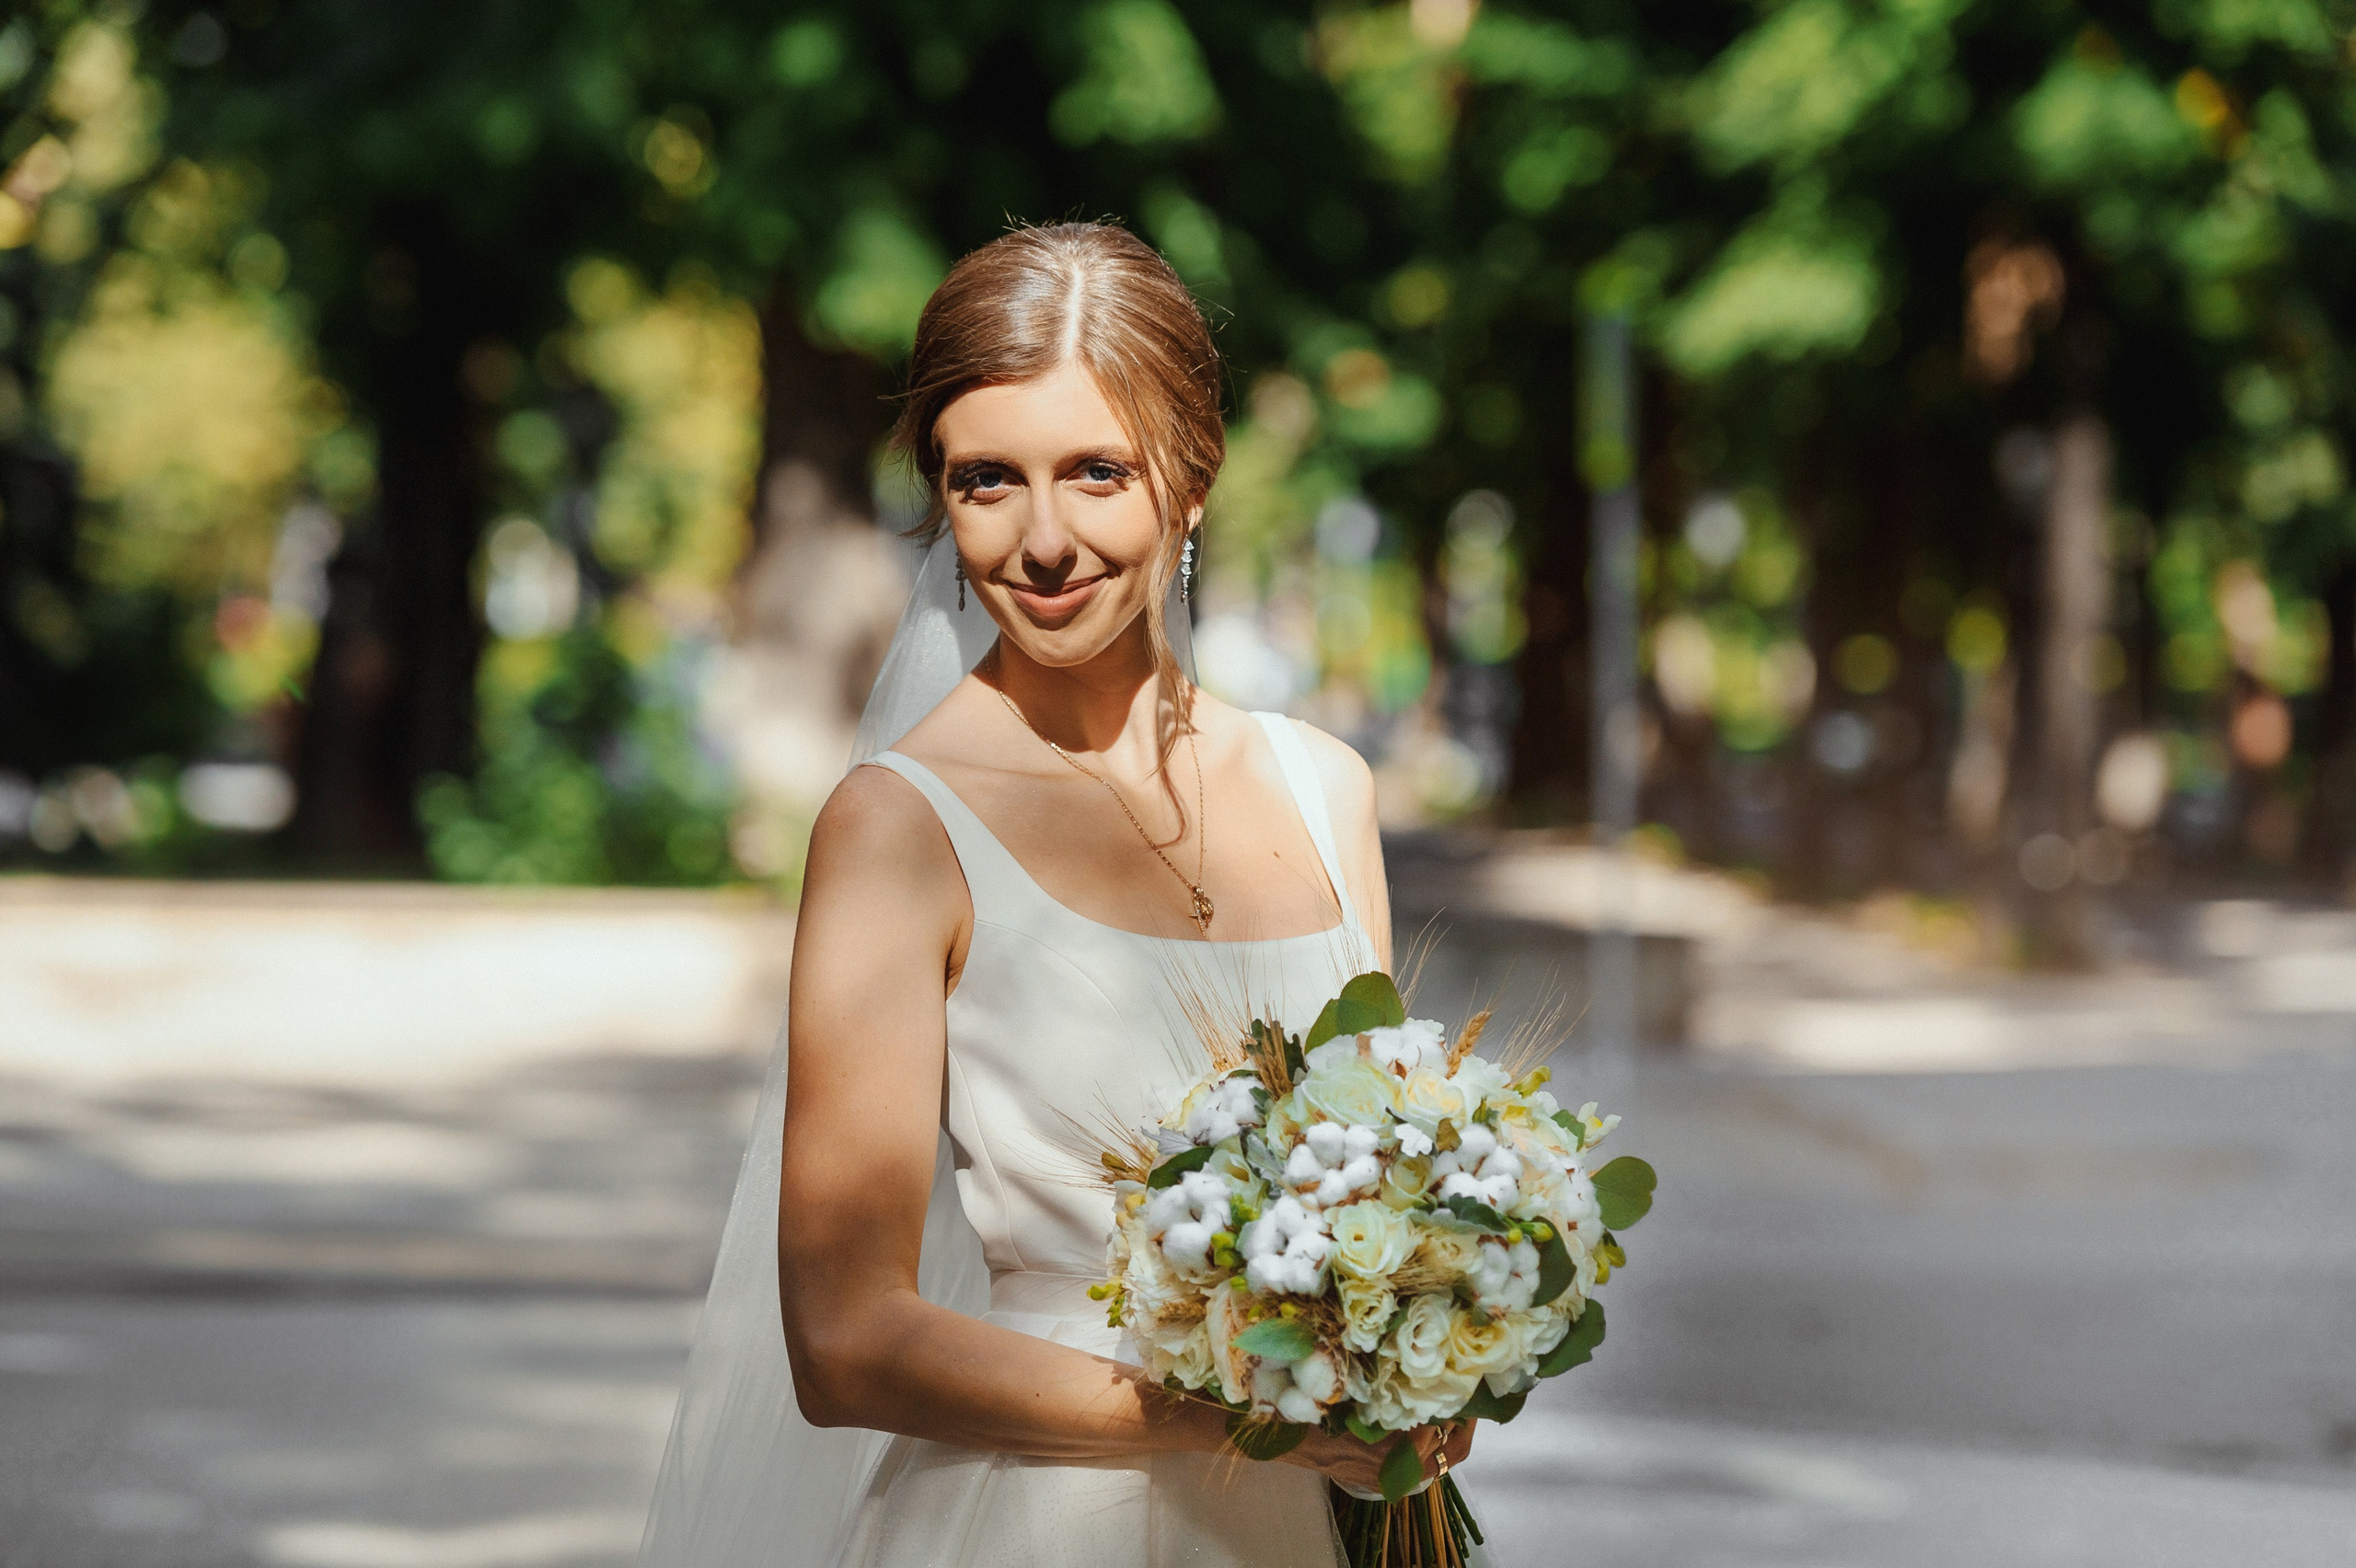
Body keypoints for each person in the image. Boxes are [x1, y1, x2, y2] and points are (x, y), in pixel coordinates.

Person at [637, 223, 1472, 1568]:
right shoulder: (899, 831)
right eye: (985, 480)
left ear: (1191, 482)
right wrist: (1240, 1416)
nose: (1041, 539)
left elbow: (1385, 1196)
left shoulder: (1329, 792)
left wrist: (1442, 1347)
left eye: (1097, 471)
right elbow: (844, 1344)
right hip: (1031, 1521)